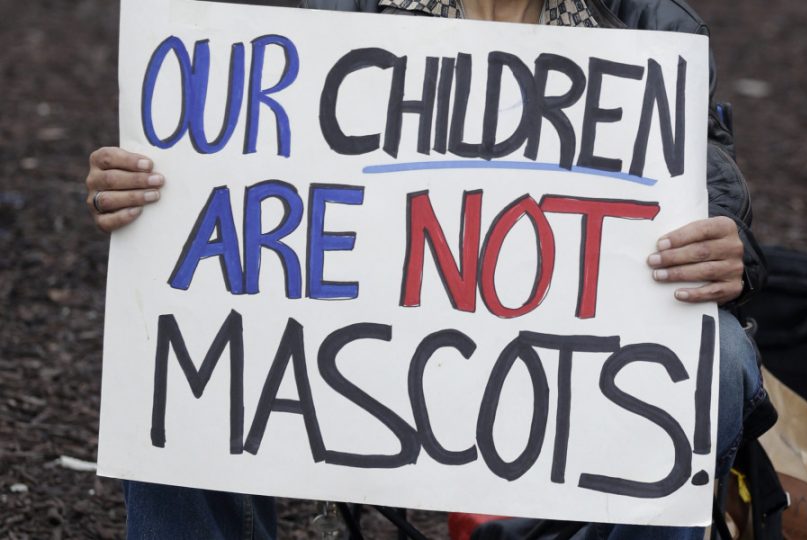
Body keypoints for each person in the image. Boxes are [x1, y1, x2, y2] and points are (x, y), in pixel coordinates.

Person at [85, 0, 770, 537]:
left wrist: (728, 249)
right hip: (360, 345)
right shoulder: (344, 11)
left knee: (718, 365)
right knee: (176, 360)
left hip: (569, 368)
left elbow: (713, 203)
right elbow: (234, 162)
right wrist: (151, 191)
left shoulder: (649, 24)